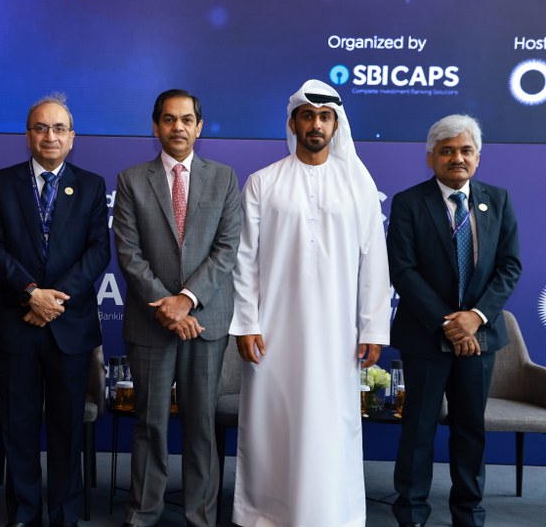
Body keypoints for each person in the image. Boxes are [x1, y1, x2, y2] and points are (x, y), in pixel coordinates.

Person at [229, 79, 391, 527]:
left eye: (324, 117)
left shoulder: (358, 185)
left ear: (336, 125)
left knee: (330, 424)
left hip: (338, 333)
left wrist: (372, 328)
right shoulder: (263, 182)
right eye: (307, 116)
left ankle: (331, 515)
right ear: (293, 124)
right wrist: (246, 323)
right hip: (273, 332)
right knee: (273, 424)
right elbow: (245, 260)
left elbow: (374, 261)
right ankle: (266, 514)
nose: (316, 125)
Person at [0, 93, 110, 527]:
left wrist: (53, 300)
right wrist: (31, 293)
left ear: (72, 137)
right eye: (40, 128)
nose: (49, 136)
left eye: (58, 128)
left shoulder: (92, 185)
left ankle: (64, 514)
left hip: (70, 326)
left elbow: (98, 252)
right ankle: (23, 512)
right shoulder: (0, 183)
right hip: (17, 322)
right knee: (18, 425)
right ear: (28, 135)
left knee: (67, 427)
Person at [112, 89, 241, 527]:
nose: (178, 127)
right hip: (150, 322)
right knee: (149, 423)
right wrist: (166, 308)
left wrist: (186, 302)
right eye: (169, 119)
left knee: (201, 425)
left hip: (204, 321)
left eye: (187, 120)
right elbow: (129, 254)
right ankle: (142, 513)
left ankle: (200, 516)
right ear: (156, 127)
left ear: (199, 127)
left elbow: (227, 249)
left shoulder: (224, 178)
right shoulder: (131, 180)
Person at [388, 114, 521, 527]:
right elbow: (403, 270)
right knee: (418, 430)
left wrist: (475, 318)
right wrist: (450, 323)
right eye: (447, 151)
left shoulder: (498, 200)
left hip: (480, 338)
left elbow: (509, 266)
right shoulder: (409, 202)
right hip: (425, 336)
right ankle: (411, 513)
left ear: (478, 157)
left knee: (470, 431)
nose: (457, 158)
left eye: (465, 150)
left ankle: (468, 514)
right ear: (431, 158)